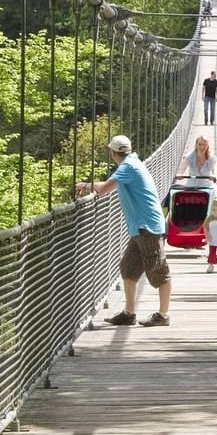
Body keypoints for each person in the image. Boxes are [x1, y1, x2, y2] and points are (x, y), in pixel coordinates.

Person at [78, 134, 171, 327]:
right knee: (128, 268)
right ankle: (129, 313)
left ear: (112, 153)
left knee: (158, 271)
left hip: (147, 227)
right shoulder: (133, 162)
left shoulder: (128, 167)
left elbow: (104, 188)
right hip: (140, 227)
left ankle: (163, 315)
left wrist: (84, 185)